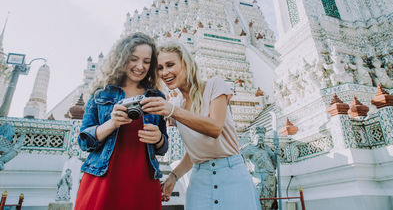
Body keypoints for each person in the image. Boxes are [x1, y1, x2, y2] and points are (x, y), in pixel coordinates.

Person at [141, 41, 261, 210]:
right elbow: (196, 151)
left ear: (185, 64)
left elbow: (215, 128)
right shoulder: (176, 104)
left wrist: (172, 110)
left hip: (232, 174)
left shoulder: (214, 85)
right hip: (199, 180)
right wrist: (174, 177)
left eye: (170, 65)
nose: (165, 72)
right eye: (160, 68)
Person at [75, 32, 168, 210]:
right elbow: (84, 142)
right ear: (122, 58)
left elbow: (163, 147)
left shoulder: (157, 96)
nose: (140, 66)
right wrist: (112, 123)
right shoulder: (101, 93)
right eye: (133, 59)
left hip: (143, 179)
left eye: (147, 61)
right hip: (103, 176)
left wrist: (158, 138)